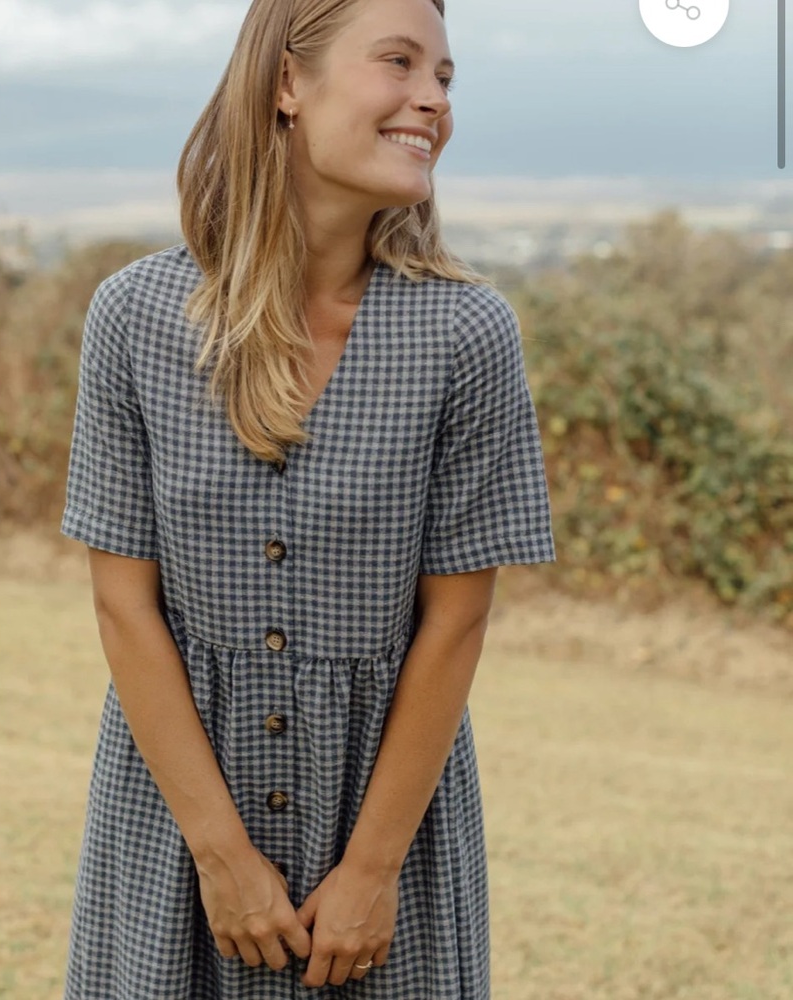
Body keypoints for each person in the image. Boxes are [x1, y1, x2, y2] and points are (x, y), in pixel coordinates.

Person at [59, 0, 555, 995]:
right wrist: (222, 856)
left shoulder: (464, 334)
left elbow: (456, 620)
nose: (432, 98)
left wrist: (370, 871)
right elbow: (125, 604)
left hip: (383, 838)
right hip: (175, 832)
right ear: (288, 83)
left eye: (445, 76)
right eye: (400, 62)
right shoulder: (135, 317)